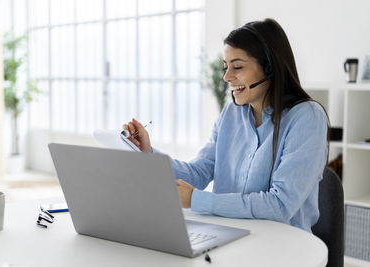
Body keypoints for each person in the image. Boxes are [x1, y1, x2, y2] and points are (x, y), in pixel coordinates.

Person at [122, 18, 329, 232]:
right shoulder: (230, 114)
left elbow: (280, 206)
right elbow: (199, 172)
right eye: (225, 67)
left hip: (283, 247)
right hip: (228, 236)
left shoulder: (306, 118)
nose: (227, 77)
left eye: (237, 67)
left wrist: (197, 200)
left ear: (269, 68)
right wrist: (147, 152)